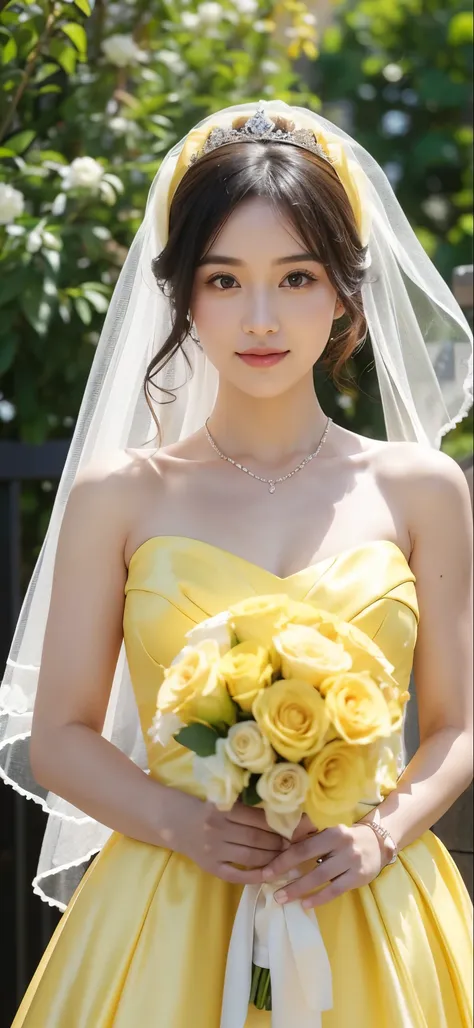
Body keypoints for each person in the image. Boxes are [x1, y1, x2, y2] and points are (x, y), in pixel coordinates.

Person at [1, 100, 473, 1027]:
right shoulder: (118, 495)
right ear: (182, 295)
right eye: (225, 281)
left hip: (367, 901)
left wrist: (380, 835)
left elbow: (457, 727)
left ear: (345, 292)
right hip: (171, 898)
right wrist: (184, 825)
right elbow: (59, 734)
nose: (261, 318)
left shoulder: (423, 487)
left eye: (296, 278)